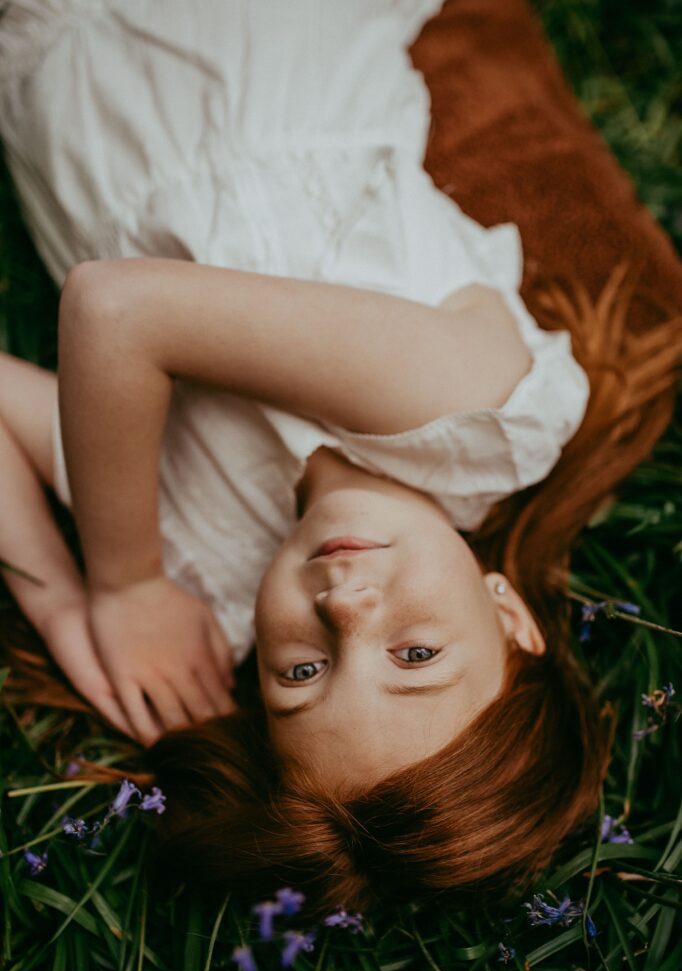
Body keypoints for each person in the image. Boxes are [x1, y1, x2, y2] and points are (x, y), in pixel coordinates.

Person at [0, 2, 677, 917]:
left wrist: (59, 594)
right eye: (417, 651)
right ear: (509, 614)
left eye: (303, 676)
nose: (344, 609)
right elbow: (114, 311)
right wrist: (121, 583)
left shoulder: (208, 559)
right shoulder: (475, 411)